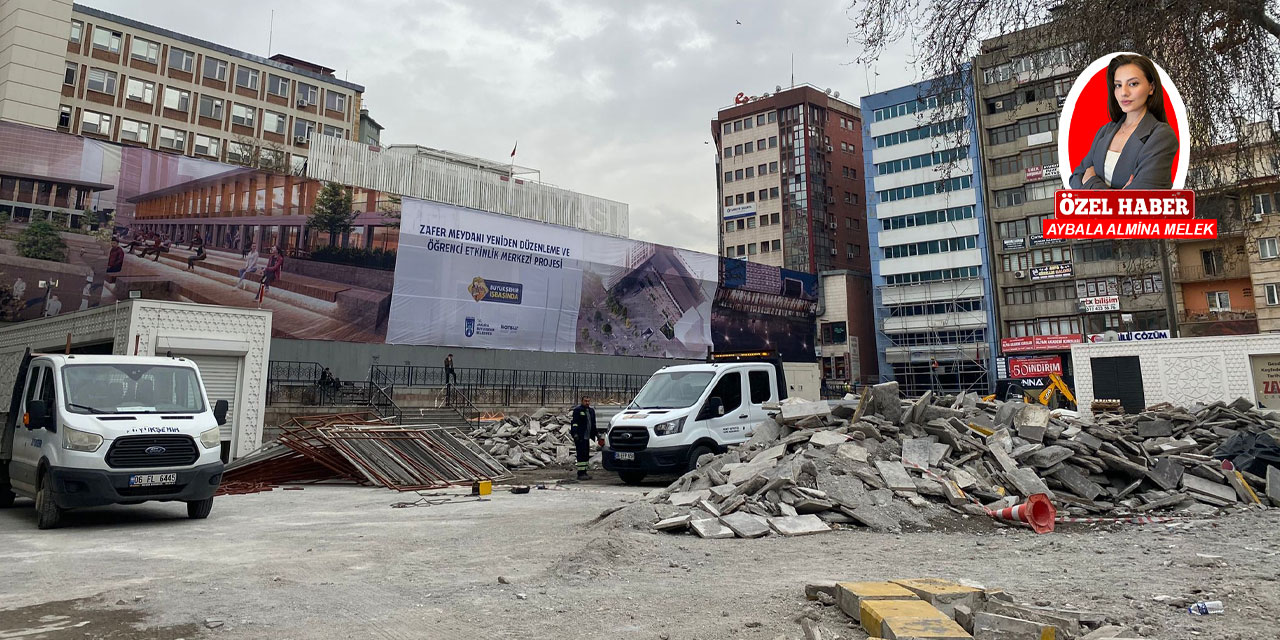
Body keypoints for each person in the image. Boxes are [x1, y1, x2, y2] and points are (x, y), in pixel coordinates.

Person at [1069, 54, 1177, 190]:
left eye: (1133, 84)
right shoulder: (1106, 131)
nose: (1123, 93)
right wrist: (1119, 194)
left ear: (1151, 87)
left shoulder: (1161, 136)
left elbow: (1136, 203)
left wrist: (1091, 182)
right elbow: (1076, 177)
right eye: (1118, 85)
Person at [569, 396, 599, 481]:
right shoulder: (578, 410)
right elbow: (574, 423)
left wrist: (597, 434)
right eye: (585, 401)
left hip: (587, 437)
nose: (587, 403)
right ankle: (580, 473)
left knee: (586, 455)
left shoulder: (591, 411)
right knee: (581, 455)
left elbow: (593, 425)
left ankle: (584, 472)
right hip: (580, 437)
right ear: (581, 401)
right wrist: (575, 433)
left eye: (588, 401)